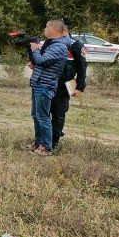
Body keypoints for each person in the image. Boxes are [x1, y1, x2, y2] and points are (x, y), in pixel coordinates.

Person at [28, 19, 72, 156]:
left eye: (46, 26)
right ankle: (38, 143)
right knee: (36, 115)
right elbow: (41, 62)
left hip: (45, 85)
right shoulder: (53, 44)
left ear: (54, 29)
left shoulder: (59, 46)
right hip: (39, 84)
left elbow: (42, 60)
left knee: (43, 117)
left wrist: (35, 50)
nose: (44, 29)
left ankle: (46, 147)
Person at [51, 18, 87, 152]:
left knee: (59, 112)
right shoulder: (52, 43)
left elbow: (82, 68)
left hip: (64, 84)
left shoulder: (75, 45)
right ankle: (45, 139)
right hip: (49, 82)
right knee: (45, 111)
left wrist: (80, 87)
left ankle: (54, 142)